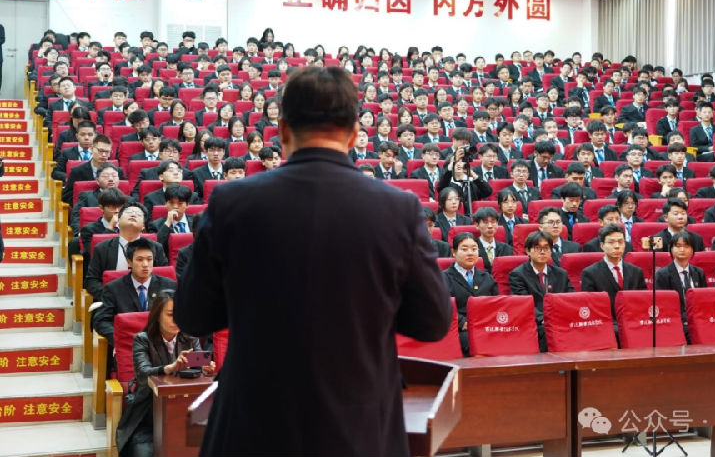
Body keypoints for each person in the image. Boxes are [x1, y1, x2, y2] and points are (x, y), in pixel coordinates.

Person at [175, 66, 450, 456]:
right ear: (355, 134)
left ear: (283, 130)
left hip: (253, 428)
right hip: (359, 430)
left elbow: (193, 316)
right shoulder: (398, 209)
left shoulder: (230, 202)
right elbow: (432, 322)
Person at [116, 289, 215, 457]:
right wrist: (169, 367)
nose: (176, 320)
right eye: (170, 314)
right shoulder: (142, 340)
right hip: (148, 415)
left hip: (185, 412)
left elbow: (197, 367)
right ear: (157, 315)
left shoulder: (189, 337)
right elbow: (143, 373)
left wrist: (205, 370)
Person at [509, 230, 573, 352]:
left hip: (560, 320)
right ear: (528, 251)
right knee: (545, 332)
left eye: (546, 248)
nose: (543, 252)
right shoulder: (517, 275)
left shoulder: (561, 274)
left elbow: (570, 299)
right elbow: (523, 304)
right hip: (535, 323)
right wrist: (544, 319)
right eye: (538, 248)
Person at [443, 232, 499, 356]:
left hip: (487, 326)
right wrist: (463, 323)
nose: (470, 253)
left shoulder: (487, 277)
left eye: (474, 249)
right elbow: (443, 307)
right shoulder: (443, 278)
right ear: (454, 251)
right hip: (459, 329)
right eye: (464, 249)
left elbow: (496, 304)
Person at [580, 224, 646, 312]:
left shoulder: (636, 271)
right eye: (611, 242)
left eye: (621, 242)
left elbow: (642, 300)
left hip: (632, 319)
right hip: (606, 321)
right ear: (602, 245)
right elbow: (590, 305)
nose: (617, 246)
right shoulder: (590, 273)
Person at [653, 230, 708, 328]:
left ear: (692, 250)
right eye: (678, 246)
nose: (682, 249)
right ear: (671, 249)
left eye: (686, 246)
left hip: (698, 320)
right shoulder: (662, 274)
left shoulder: (699, 273)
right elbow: (662, 304)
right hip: (675, 322)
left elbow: (704, 300)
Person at [472, 207, 513, 273]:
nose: (490, 226)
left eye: (493, 221)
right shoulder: (472, 249)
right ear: (477, 225)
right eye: (485, 222)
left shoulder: (507, 249)